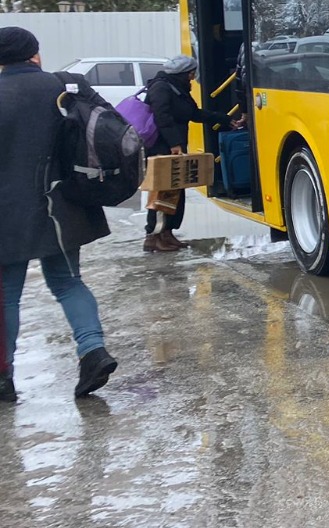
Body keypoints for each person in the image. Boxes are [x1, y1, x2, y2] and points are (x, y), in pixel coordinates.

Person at [0, 26, 118, 401]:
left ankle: (5, 376)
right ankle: (93, 351)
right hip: (65, 207)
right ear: (35, 54)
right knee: (69, 283)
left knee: (7, 296)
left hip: (8, 215)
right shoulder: (66, 87)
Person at [144, 54, 242, 253]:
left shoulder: (176, 88)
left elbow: (193, 113)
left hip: (175, 147)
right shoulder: (161, 87)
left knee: (176, 191)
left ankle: (167, 233)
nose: (192, 77)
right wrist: (174, 143)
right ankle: (153, 236)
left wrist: (224, 119)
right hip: (163, 149)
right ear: (182, 73)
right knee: (162, 192)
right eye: (190, 74)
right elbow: (162, 117)